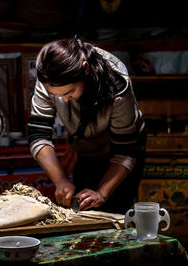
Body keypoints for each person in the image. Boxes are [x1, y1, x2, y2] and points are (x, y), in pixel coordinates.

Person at [27, 36, 146, 214]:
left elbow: (126, 150)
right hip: (85, 149)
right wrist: (60, 179)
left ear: (86, 69)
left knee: (115, 212)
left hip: (123, 152)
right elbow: (38, 134)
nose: (63, 100)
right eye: (56, 95)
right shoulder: (47, 75)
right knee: (82, 208)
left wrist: (102, 193)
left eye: (69, 92)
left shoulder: (117, 83)